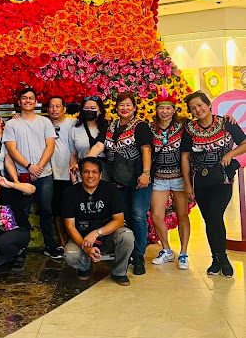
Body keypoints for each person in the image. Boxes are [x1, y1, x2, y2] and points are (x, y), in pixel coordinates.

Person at [181, 91, 246, 277]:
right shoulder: (189, 129)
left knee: (215, 215)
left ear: (208, 105)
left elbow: (244, 143)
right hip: (200, 181)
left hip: (222, 180)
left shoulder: (226, 123)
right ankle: (215, 259)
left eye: (200, 105)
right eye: (193, 108)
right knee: (209, 219)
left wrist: (229, 155)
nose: (198, 110)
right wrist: (187, 184)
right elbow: (185, 157)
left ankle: (222, 258)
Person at [88, 92, 153, 275]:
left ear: (134, 108)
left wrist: (146, 174)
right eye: (121, 105)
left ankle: (138, 255)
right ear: (116, 107)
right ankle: (128, 251)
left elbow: (146, 150)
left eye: (128, 105)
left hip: (140, 179)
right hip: (119, 180)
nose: (124, 108)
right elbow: (100, 146)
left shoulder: (140, 126)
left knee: (139, 215)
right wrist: (85, 163)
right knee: (123, 216)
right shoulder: (111, 126)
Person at [4, 87, 60, 259]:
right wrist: (29, 166)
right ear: (19, 102)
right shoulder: (12, 124)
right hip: (22, 175)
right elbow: (11, 149)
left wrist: (39, 167)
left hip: (44, 174)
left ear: (36, 102)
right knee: (22, 212)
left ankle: (49, 246)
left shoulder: (44, 122)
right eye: (24, 98)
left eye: (31, 98)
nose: (28, 101)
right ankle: (21, 248)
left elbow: (50, 146)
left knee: (46, 210)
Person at [63, 157, 134, 286]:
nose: (90, 176)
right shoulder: (70, 193)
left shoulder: (110, 190)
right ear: (80, 173)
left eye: (94, 172)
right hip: (82, 238)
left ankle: (119, 272)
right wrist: (86, 248)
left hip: (107, 237)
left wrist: (97, 232)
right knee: (70, 255)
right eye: (86, 172)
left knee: (127, 235)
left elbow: (119, 220)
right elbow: (70, 226)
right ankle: (84, 267)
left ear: (100, 175)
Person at [149, 89, 190, 270]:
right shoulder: (150, 128)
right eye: (161, 108)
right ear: (156, 110)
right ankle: (166, 249)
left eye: (168, 108)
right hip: (159, 178)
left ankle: (184, 253)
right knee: (157, 215)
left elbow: (205, 120)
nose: (164, 112)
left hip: (180, 177)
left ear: (174, 110)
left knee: (182, 215)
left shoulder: (184, 127)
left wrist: (228, 118)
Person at [46, 95, 76, 247]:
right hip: (51, 174)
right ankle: (62, 242)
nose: (54, 109)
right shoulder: (43, 123)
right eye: (51, 106)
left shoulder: (74, 123)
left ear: (64, 108)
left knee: (71, 209)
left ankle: (74, 239)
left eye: (58, 106)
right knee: (55, 210)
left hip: (70, 174)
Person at [70, 96, 108, 180]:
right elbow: (74, 155)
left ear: (100, 111)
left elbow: (99, 147)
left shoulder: (107, 128)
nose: (89, 110)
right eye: (86, 108)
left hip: (103, 173)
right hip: (83, 173)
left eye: (93, 108)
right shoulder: (75, 130)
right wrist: (74, 178)